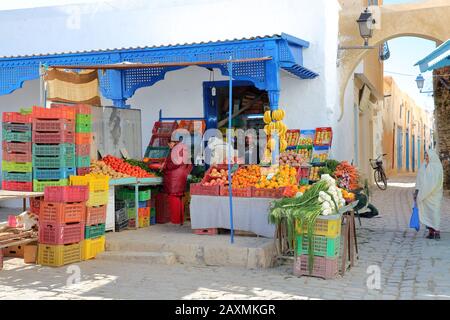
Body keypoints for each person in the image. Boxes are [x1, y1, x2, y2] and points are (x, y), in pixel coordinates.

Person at [161, 137, 192, 224]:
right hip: (181, 177)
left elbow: (173, 164)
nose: (169, 145)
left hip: (174, 179)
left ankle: (175, 220)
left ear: (174, 142)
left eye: (169, 143)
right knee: (179, 197)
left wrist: (164, 166)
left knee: (173, 197)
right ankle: (180, 219)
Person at [414, 149, 444, 239]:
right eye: (425, 155)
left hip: (434, 194)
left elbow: (435, 182)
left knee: (434, 212)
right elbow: (419, 179)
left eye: (427, 155)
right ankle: (431, 232)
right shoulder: (423, 165)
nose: (426, 157)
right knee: (427, 212)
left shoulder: (437, 167)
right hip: (424, 194)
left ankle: (437, 231)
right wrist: (417, 191)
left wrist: (427, 190)